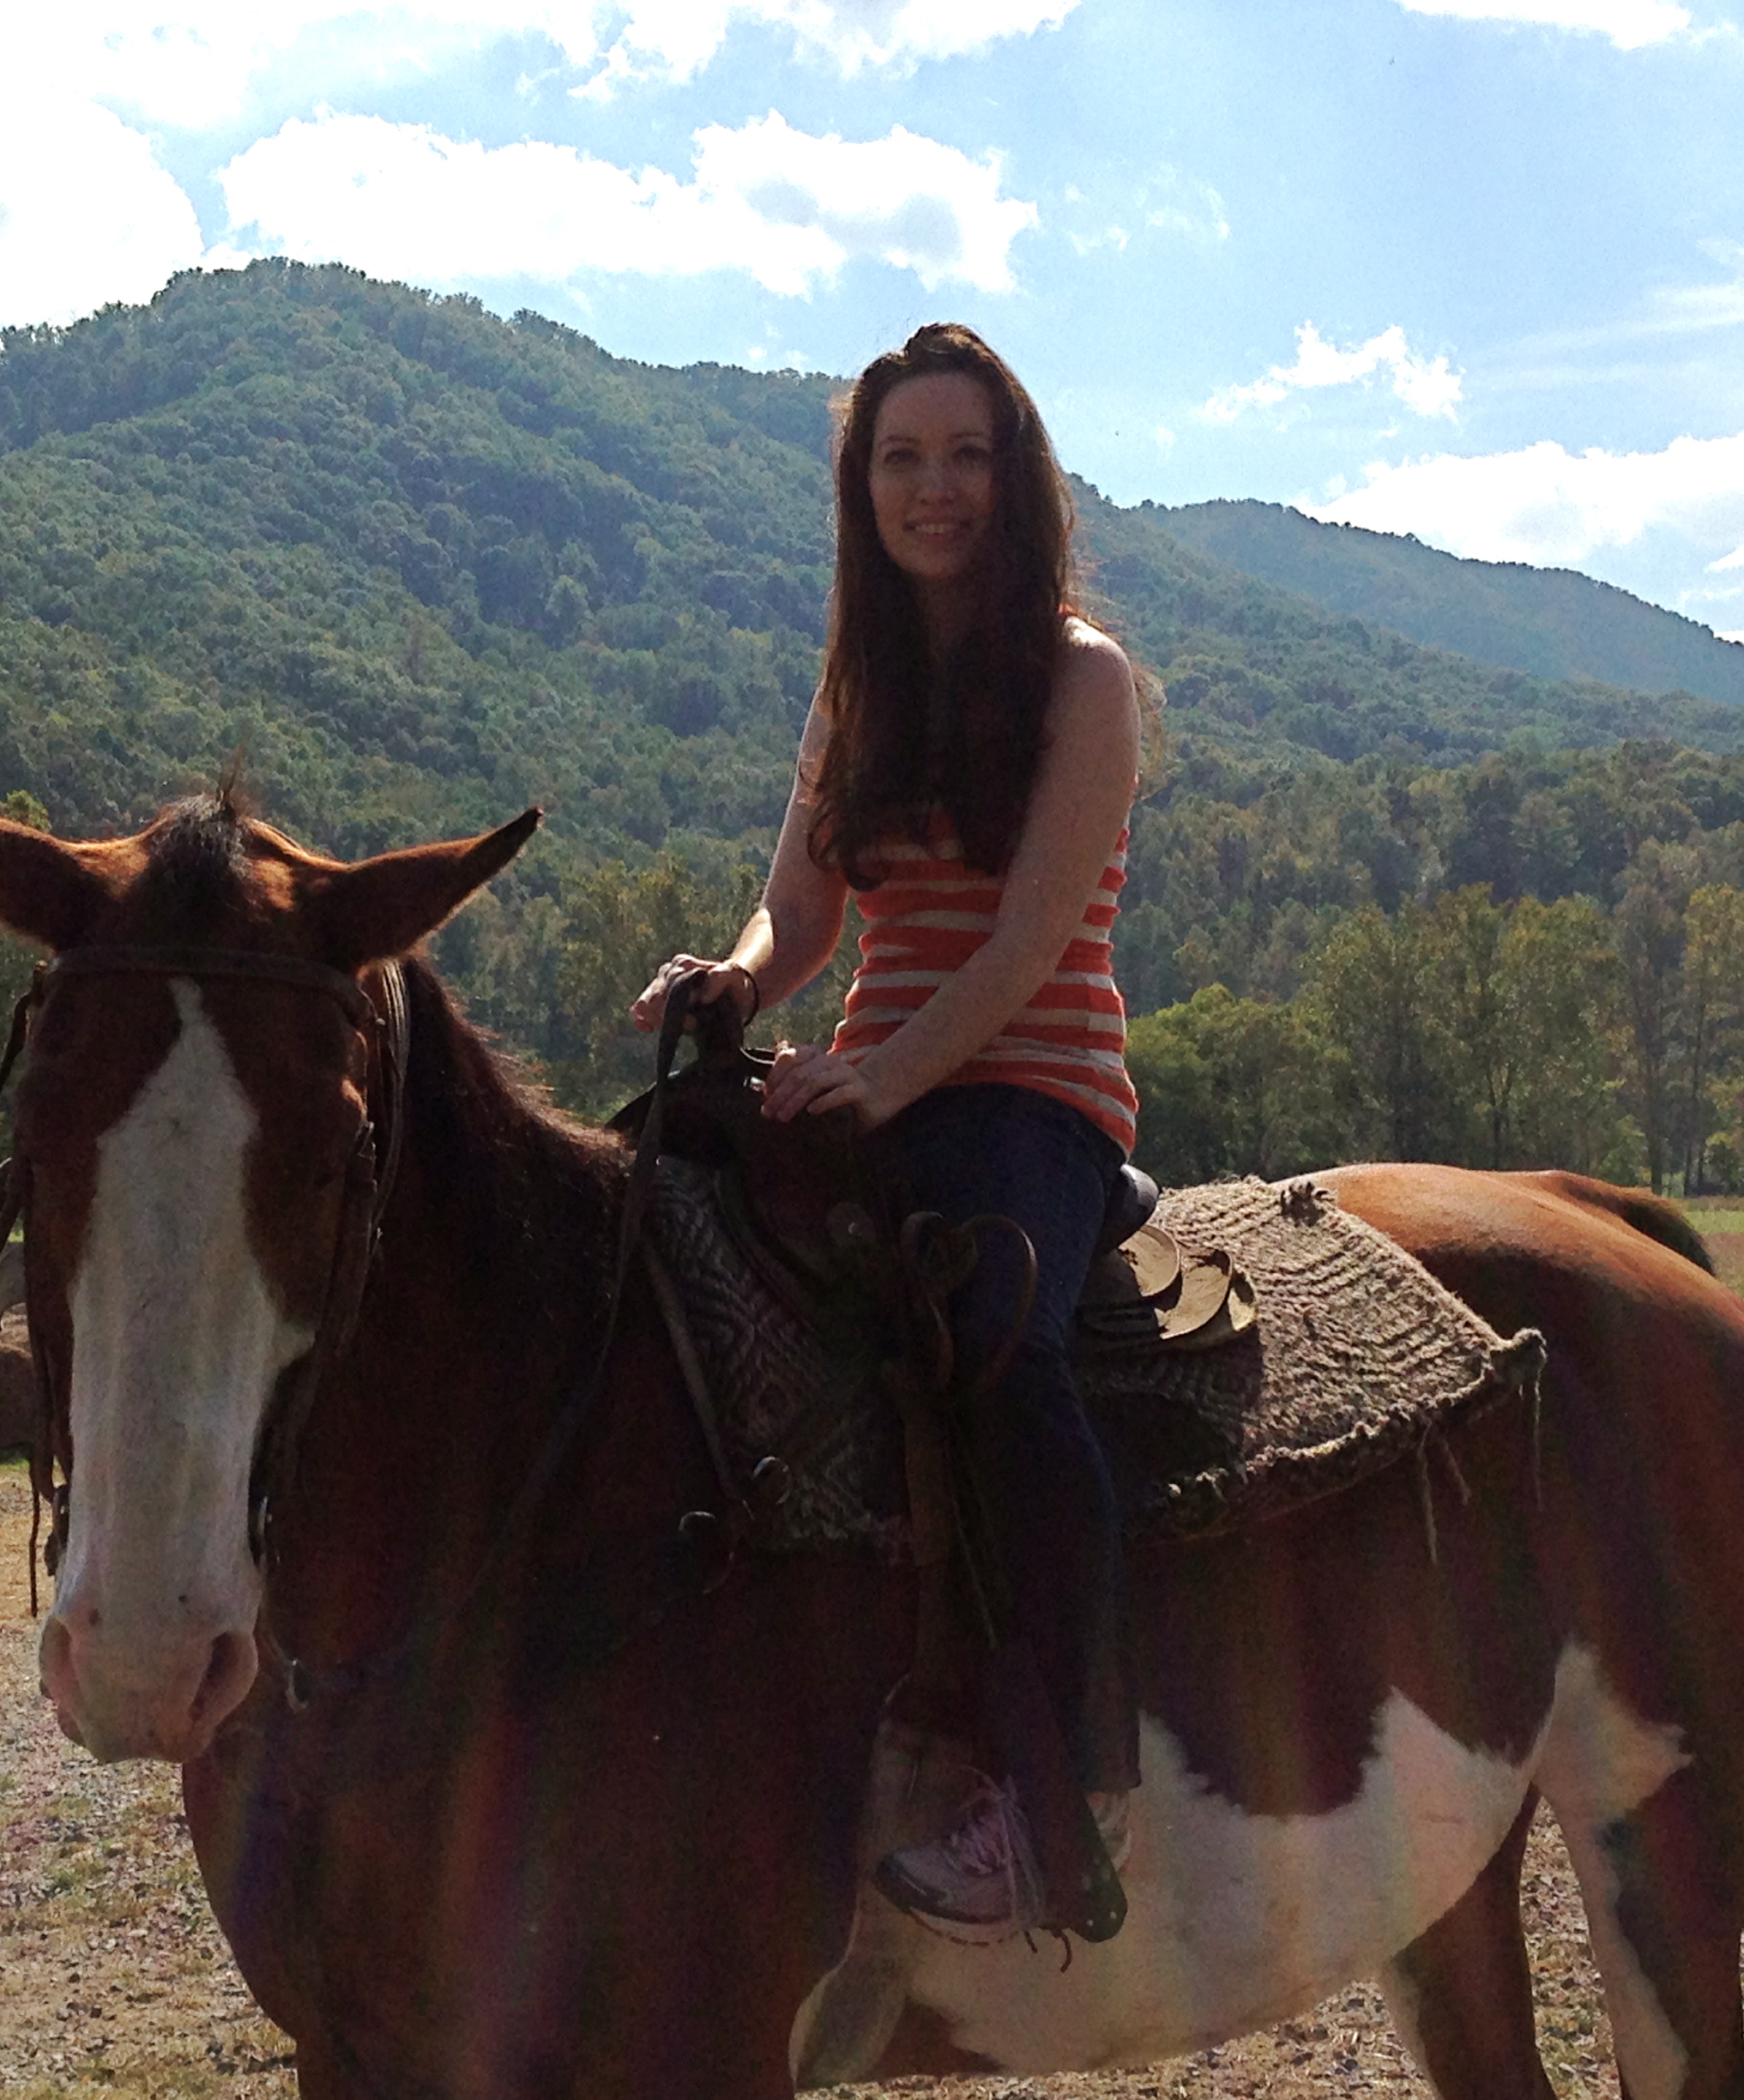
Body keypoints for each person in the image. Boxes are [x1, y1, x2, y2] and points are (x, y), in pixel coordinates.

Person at [630, 322, 1151, 1941]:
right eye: (903, 459)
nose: (936, 488)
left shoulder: (1082, 679)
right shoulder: (854, 687)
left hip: (1033, 1097)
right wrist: (734, 977)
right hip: (877, 1083)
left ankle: (1067, 1790)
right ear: (863, 488)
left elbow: (1029, 941)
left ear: (1016, 479)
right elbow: (801, 915)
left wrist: (889, 1075)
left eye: (967, 456)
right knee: (646, 1235)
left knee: (997, 1329)